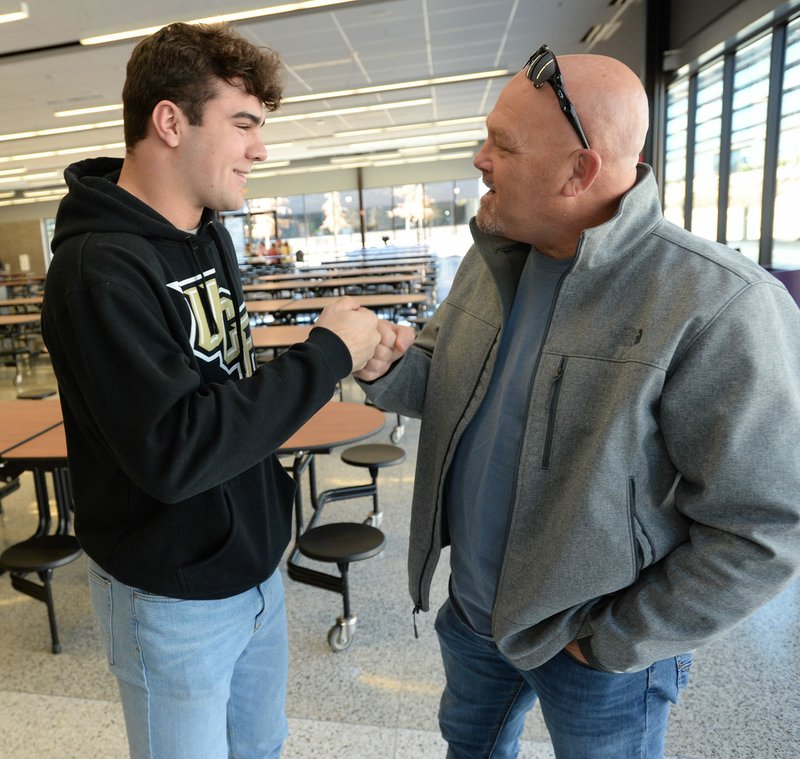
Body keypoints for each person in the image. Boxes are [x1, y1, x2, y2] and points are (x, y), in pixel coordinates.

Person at [355, 44, 800, 758]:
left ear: (579, 170)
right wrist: (389, 362)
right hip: (473, 616)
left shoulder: (716, 304)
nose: (479, 159)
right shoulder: (494, 254)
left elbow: (764, 524)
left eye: (501, 144)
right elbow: (447, 382)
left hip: (593, 649)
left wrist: (615, 639)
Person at [41, 22, 381, 759]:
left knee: (260, 747)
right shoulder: (98, 271)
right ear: (170, 121)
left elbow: (228, 384)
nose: (260, 147)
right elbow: (175, 450)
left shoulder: (208, 232)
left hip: (255, 570)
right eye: (243, 123)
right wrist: (324, 357)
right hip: (172, 598)